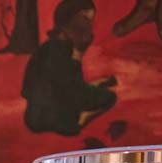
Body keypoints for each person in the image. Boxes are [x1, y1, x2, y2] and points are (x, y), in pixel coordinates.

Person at [21, 0, 118, 136]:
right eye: (84, 20)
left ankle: (95, 88)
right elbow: (74, 92)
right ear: (67, 22)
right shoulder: (64, 50)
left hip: (33, 119)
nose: (89, 27)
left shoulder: (45, 47)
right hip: (62, 121)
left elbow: (29, 90)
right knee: (110, 97)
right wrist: (78, 54)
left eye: (90, 21)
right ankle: (82, 119)